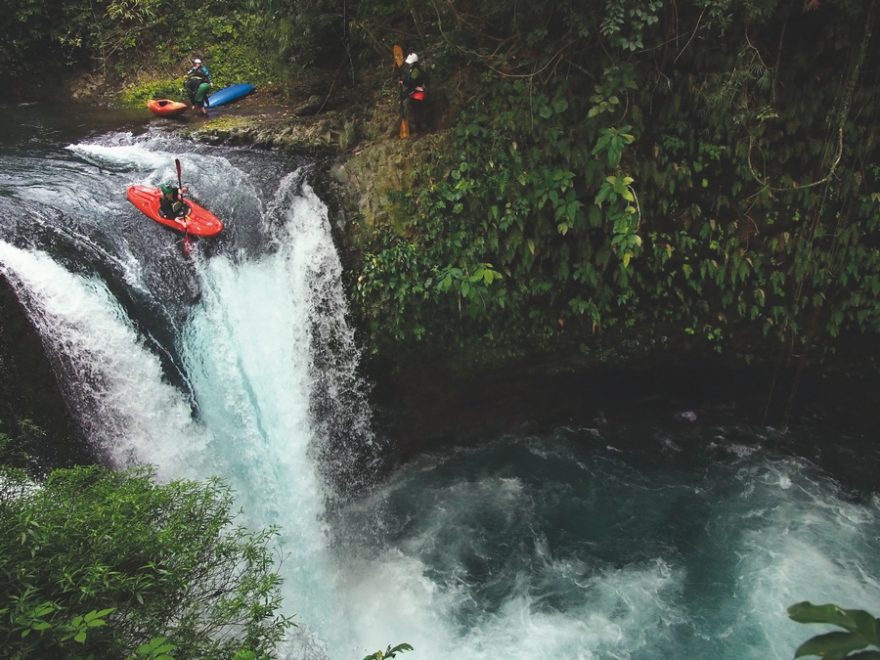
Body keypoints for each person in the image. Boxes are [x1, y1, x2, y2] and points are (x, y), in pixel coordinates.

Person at [399, 52, 427, 135]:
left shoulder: (416, 71)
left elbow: (412, 82)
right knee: (416, 111)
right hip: (414, 92)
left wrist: (403, 81)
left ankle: (420, 130)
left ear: (414, 63)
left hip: (418, 93)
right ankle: (419, 129)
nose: (409, 64)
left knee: (417, 112)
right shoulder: (413, 70)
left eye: (410, 63)